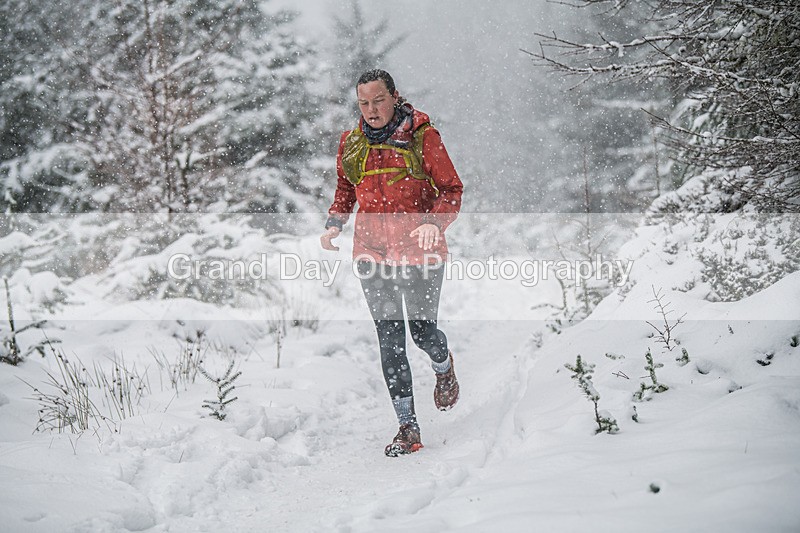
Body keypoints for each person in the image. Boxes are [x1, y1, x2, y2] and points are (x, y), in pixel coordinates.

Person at [320, 69, 463, 457]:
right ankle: (407, 426)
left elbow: (452, 189)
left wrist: (435, 224)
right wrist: (334, 223)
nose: (371, 110)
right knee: (389, 339)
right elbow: (346, 189)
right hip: (372, 253)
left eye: (378, 101)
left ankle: (442, 363)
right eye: (363, 103)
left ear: (394, 97)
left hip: (421, 251)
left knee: (421, 333)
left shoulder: (422, 137)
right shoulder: (351, 143)